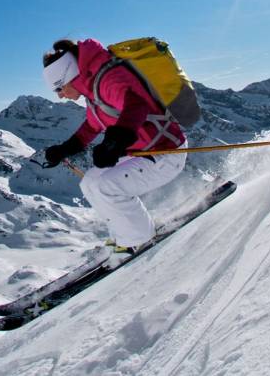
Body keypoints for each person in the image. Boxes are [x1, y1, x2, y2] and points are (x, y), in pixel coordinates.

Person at [40, 38, 188, 252]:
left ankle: (138, 238)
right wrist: (65, 149)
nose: (61, 96)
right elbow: (92, 127)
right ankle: (123, 235)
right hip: (146, 153)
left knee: (105, 187)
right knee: (89, 182)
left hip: (166, 152)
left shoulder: (108, 80)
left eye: (59, 89)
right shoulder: (93, 89)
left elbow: (136, 105)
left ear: (68, 77)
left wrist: (115, 141)